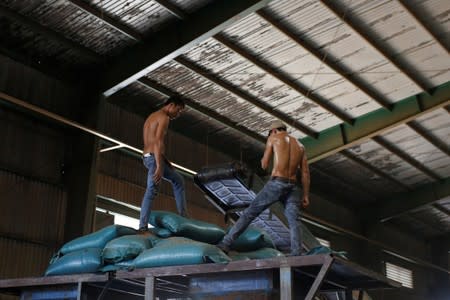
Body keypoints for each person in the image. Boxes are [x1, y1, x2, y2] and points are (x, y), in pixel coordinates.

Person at [217, 120, 310, 256]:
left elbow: (264, 165)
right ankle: (296, 253)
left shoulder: (273, 138)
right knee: (294, 220)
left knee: (250, 213)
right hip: (294, 186)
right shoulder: (301, 146)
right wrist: (306, 195)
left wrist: (268, 148)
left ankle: (225, 244)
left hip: (277, 182)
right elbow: (306, 173)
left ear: (273, 131)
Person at [138, 96, 187, 233]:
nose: (178, 114)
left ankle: (184, 216)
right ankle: (142, 226)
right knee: (152, 190)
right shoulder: (164, 118)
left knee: (178, 180)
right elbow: (158, 142)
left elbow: (151, 141)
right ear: (171, 105)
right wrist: (159, 165)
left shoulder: (152, 117)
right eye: (178, 110)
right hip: (154, 159)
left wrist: (164, 160)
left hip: (147, 157)